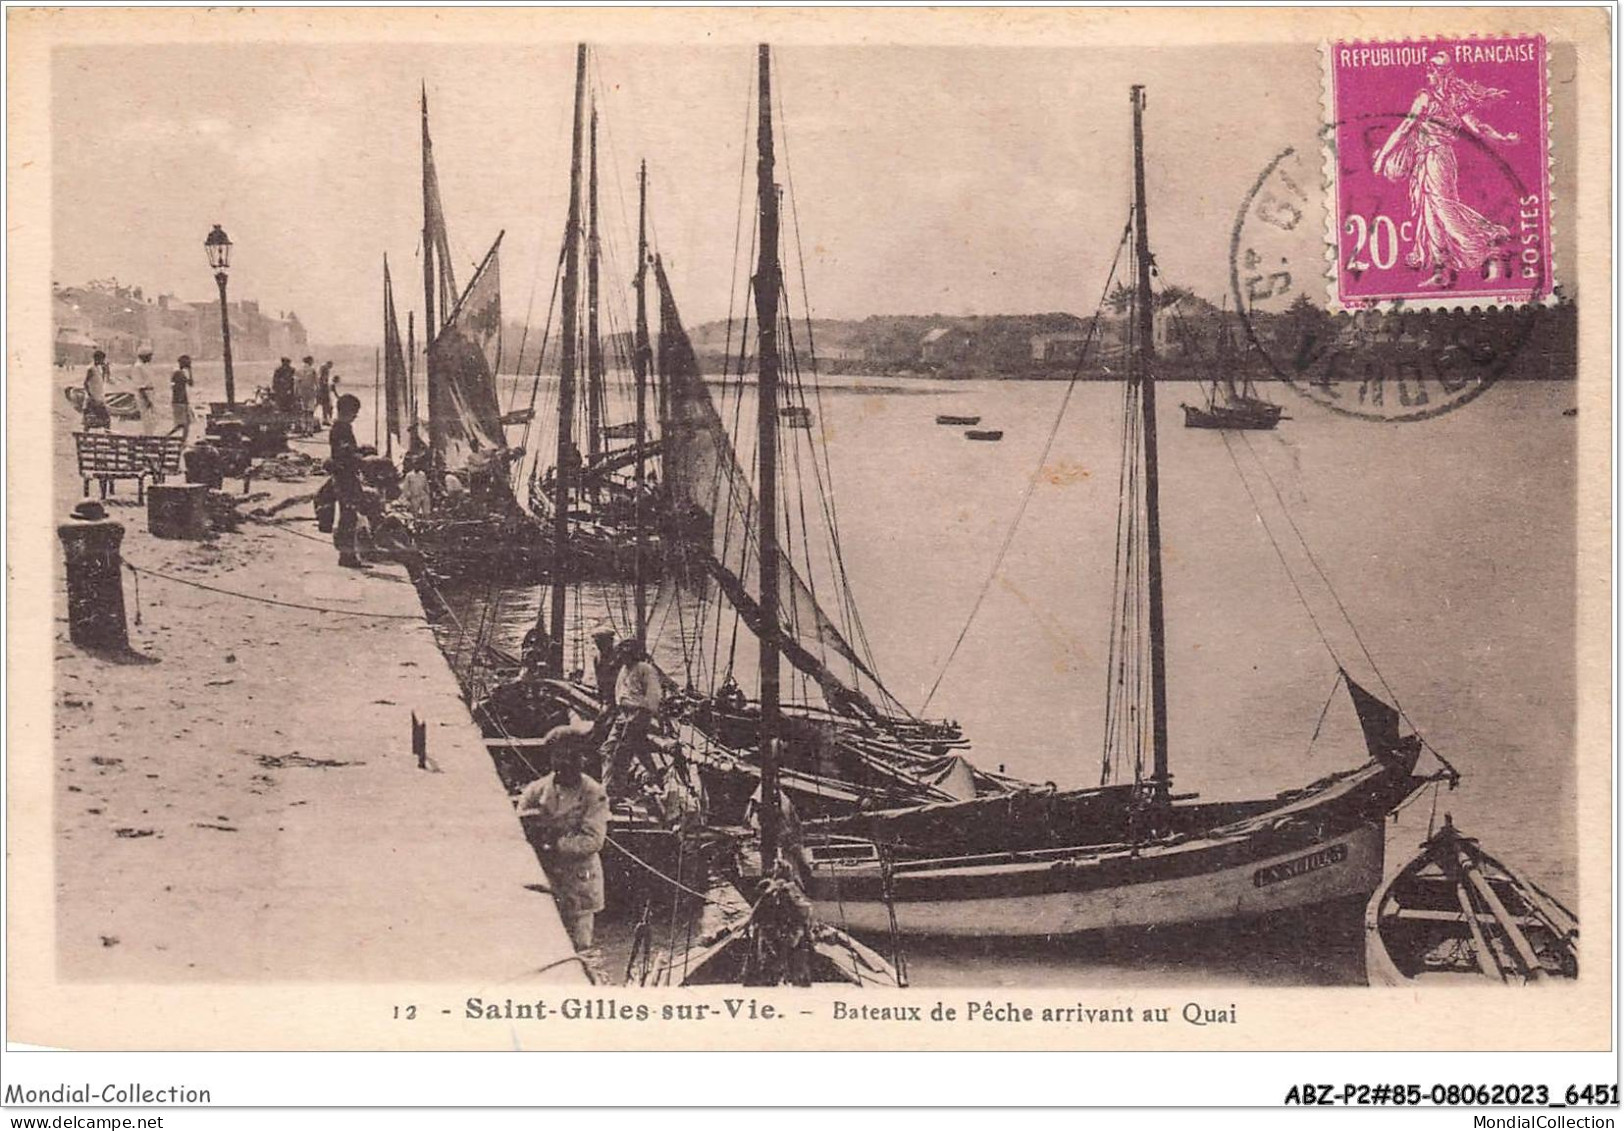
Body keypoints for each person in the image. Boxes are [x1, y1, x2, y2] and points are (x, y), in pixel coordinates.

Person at [1372, 52, 1519, 288]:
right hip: (1426, 159)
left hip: (1438, 158)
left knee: (1443, 208)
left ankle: (1486, 251)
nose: (1428, 72)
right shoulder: (1434, 98)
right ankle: (1442, 269)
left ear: (1444, 73)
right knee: (1430, 213)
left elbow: (1476, 127)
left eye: (1434, 69)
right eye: (1428, 68)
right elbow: (1406, 128)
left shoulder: (1442, 100)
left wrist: (1503, 138)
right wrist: (1384, 155)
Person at [515, 721, 608, 953]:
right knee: (542, 944)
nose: (566, 763)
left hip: (579, 882)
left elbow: (593, 840)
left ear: (582, 758)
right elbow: (517, 833)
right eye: (559, 756)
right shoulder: (535, 791)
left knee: (580, 948)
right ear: (551, 759)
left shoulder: (593, 793)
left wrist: (553, 844)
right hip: (545, 878)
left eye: (572, 756)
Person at [602, 639, 663, 798]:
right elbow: (619, 693)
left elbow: (653, 697)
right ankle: (608, 787)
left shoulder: (645, 669)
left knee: (622, 751)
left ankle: (615, 792)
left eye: (624, 654)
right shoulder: (624, 669)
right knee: (608, 749)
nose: (621, 657)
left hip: (638, 715)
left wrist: (640, 714)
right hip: (623, 714)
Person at [329, 393, 366, 568]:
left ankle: (347, 554)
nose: (356, 416)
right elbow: (345, 453)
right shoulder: (342, 428)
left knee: (348, 515)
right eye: (354, 412)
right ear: (347, 411)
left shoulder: (339, 427)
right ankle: (347, 556)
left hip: (343, 475)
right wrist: (360, 457)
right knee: (348, 516)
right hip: (345, 477)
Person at [81, 350, 111, 429]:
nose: (103, 361)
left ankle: (108, 435)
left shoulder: (99, 368)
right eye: (102, 359)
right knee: (90, 420)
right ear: (97, 358)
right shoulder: (91, 368)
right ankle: (84, 436)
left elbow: (102, 380)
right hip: (92, 398)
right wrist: (90, 396)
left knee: (105, 420)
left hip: (99, 397)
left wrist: (105, 370)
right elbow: (85, 383)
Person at [590, 629, 620, 707]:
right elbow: (599, 679)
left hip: (617, 693)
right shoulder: (597, 658)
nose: (598, 645)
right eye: (597, 642)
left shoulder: (618, 656)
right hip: (606, 694)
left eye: (600, 642)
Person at [169, 355, 194, 438]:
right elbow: (178, 387)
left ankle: (182, 440)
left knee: (185, 424)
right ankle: (168, 436)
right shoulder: (178, 373)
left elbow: (191, 383)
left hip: (182, 400)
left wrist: (190, 371)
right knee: (183, 424)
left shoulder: (181, 372)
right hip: (179, 401)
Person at [295, 356, 320, 429]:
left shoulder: (299, 370)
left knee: (303, 410)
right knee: (310, 411)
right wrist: (318, 391)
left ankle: (304, 428)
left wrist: (296, 392)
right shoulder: (312, 370)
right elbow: (317, 382)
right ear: (310, 361)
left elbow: (296, 383)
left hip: (302, 392)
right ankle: (309, 428)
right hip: (310, 391)